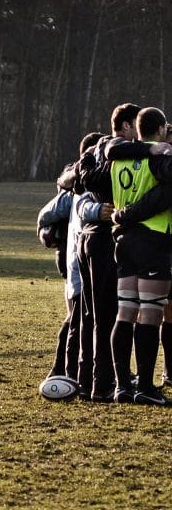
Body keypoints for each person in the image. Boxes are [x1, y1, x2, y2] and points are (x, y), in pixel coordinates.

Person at [107, 107, 172, 405]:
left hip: (123, 239)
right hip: (152, 237)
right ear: (160, 130)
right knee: (151, 311)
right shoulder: (159, 158)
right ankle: (145, 385)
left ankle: (122, 386)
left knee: (126, 311)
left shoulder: (119, 157)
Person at [76, 104, 141, 401]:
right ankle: (107, 383)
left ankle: (91, 380)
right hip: (106, 241)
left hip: (88, 240)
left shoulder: (94, 154)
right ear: (127, 126)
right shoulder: (126, 154)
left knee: (93, 315)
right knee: (110, 315)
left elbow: (74, 178)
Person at [37, 132, 105, 383]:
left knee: (83, 315)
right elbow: (46, 214)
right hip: (73, 258)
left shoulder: (88, 179)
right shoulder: (76, 182)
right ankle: (61, 369)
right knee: (76, 314)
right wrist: (45, 231)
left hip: (80, 256)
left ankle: (73, 369)